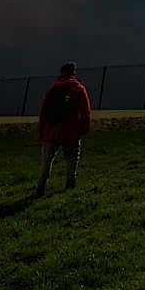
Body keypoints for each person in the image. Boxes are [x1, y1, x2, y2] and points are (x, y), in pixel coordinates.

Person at [34, 61, 91, 196]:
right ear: (74, 73)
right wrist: (84, 129)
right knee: (72, 158)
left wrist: (42, 132)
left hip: (51, 132)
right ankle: (70, 184)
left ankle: (40, 187)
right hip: (71, 131)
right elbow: (85, 112)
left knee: (47, 160)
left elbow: (43, 112)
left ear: (61, 72)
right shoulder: (78, 88)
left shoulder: (52, 89)